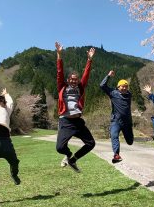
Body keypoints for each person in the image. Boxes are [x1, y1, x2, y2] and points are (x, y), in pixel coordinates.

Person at [55, 42, 96, 173]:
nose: (74, 81)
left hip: (78, 121)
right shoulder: (62, 87)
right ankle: (68, 155)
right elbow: (59, 71)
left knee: (91, 144)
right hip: (66, 121)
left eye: (76, 79)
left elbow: (86, 74)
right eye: (72, 79)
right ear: (68, 80)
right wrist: (59, 54)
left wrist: (89, 59)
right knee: (60, 148)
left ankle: (73, 159)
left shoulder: (80, 87)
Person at [100, 70, 134, 163]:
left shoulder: (129, 95)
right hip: (116, 121)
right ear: (118, 87)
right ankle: (116, 155)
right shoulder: (113, 93)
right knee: (114, 135)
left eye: (126, 87)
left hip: (127, 122)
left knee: (130, 142)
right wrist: (108, 76)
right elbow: (102, 86)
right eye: (122, 86)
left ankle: (128, 139)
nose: (124, 88)